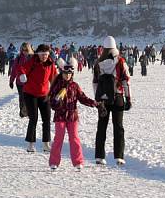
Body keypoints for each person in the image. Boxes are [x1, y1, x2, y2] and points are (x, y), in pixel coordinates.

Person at [48, 58, 98, 170]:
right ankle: (54, 162)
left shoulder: (75, 86)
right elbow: (51, 102)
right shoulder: (57, 85)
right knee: (58, 138)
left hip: (72, 116)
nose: (67, 76)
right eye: (65, 73)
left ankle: (78, 161)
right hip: (60, 116)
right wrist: (56, 102)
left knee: (74, 138)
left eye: (69, 73)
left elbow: (82, 98)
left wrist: (94, 103)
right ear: (62, 73)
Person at [93, 36, 131, 166]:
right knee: (118, 127)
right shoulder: (120, 61)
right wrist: (128, 98)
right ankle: (119, 156)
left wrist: (97, 99)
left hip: (103, 98)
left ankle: (99, 156)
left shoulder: (98, 63)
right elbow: (126, 80)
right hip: (117, 97)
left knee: (101, 127)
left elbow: (95, 83)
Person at [18, 44, 58, 153]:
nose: (44, 57)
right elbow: (22, 68)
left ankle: (46, 144)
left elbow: (54, 78)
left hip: (44, 95)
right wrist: (22, 75)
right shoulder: (33, 61)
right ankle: (30, 144)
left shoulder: (50, 63)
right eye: (42, 54)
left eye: (46, 54)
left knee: (46, 119)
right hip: (30, 93)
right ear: (38, 54)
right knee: (33, 118)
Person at [9, 42, 33, 118]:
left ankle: (29, 111)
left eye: (26, 50)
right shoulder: (18, 58)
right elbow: (14, 70)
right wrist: (11, 81)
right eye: (23, 50)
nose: (24, 51)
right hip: (20, 82)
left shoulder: (33, 58)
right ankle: (22, 111)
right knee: (22, 97)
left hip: (30, 82)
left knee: (29, 98)